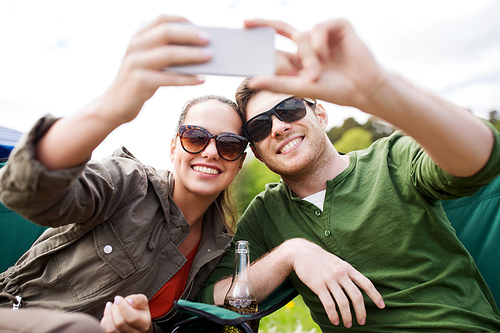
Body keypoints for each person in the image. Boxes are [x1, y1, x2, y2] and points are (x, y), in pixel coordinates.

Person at [195, 18, 500, 332]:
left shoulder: (392, 159)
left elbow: (480, 162)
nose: (278, 127)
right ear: (257, 151)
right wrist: (291, 252)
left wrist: (378, 87)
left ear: (321, 114)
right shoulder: (266, 214)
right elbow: (210, 297)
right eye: (260, 127)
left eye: (288, 109)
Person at [0, 15, 249, 333]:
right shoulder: (127, 182)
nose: (211, 151)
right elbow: (26, 193)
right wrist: (113, 106)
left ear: (239, 162)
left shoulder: (217, 248)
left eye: (229, 144)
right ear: (174, 147)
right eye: (196, 137)